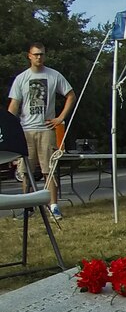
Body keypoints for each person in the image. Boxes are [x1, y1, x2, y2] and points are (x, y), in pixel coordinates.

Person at [7, 42, 75, 220]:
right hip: (26, 130)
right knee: (26, 171)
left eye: (42, 54)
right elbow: (14, 105)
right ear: (29, 56)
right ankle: (27, 207)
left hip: (46, 129)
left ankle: (53, 206)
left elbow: (70, 95)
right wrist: (8, 126)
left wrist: (60, 118)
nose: (39, 57)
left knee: (49, 170)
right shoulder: (21, 78)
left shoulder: (54, 75)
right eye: (36, 54)